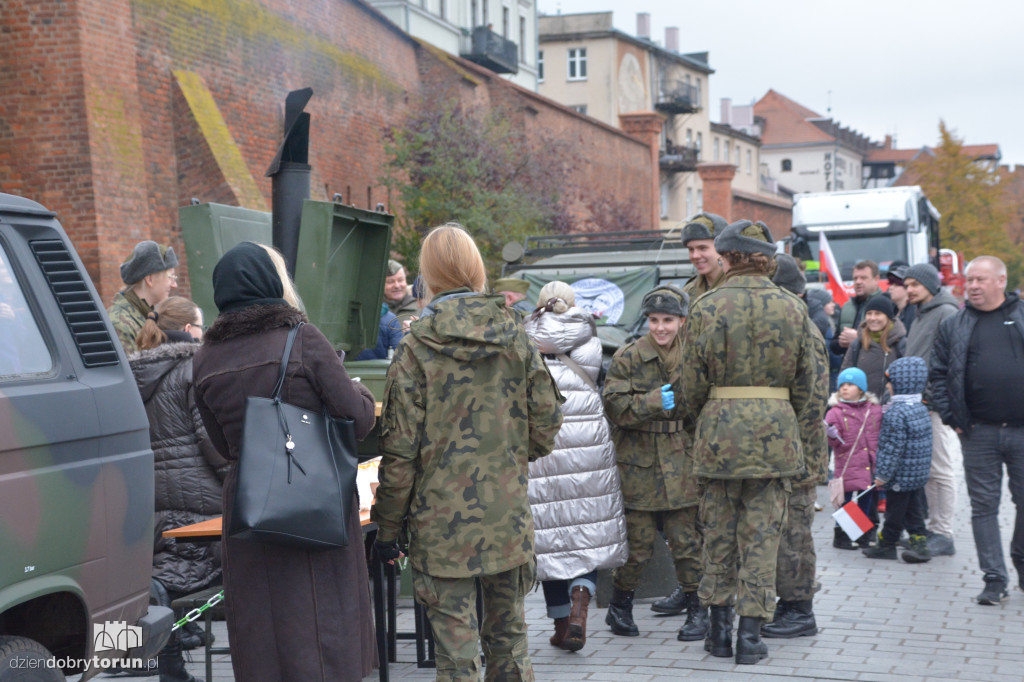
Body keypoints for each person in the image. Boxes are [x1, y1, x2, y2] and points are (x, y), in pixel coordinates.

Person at [372, 223, 563, 681]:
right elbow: (547, 423)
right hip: (506, 516)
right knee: (511, 643)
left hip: (441, 526)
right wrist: (508, 458)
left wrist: (387, 529)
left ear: (428, 275)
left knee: (456, 656)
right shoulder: (517, 336)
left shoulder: (415, 347)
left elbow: (399, 454)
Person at [192, 242, 378, 682]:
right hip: (311, 496)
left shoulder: (205, 358)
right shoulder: (301, 339)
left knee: (263, 627)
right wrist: (362, 391)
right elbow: (357, 418)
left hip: (250, 504)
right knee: (322, 621)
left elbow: (221, 445)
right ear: (271, 282)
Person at [681, 220, 828, 665]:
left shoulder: (706, 306)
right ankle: (750, 636)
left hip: (718, 436)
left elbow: (690, 384)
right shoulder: (793, 308)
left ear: (726, 258)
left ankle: (718, 632)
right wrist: (798, 439)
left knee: (718, 536)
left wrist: (699, 428)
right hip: (775, 438)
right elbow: (811, 388)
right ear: (767, 258)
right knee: (763, 537)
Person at [523, 281, 628, 652]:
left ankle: (561, 622)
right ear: (572, 304)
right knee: (588, 528)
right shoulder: (591, 337)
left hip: (542, 444)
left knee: (550, 534)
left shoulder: (523, 340)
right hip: (588, 446)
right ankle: (582, 598)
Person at [602, 284, 707, 643]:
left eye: (668, 320)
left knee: (687, 541)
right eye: (654, 320)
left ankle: (697, 611)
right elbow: (614, 407)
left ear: (682, 320)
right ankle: (620, 607)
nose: (661, 327)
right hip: (639, 462)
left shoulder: (694, 355)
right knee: (638, 545)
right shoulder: (629, 357)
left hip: (681, 459)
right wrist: (649, 402)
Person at [130, 297, 223, 682]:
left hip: (149, 511)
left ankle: (149, 659)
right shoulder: (193, 370)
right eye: (201, 327)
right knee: (179, 577)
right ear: (189, 331)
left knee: (159, 573)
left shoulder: (130, 373)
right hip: (200, 506)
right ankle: (167, 664)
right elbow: (211, 442)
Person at [928, 256, 1024, 604]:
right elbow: (938, 373)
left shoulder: (1021, 316)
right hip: (977, 432)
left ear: (1001, 280)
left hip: (1021, 431)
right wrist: (953, 416)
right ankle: (994, 579)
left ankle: (1021, 560)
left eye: (981, 280)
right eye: (970, 281)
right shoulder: (955, 324)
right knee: (984, 506)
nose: (973, 286)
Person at [761, 254, 830, 640]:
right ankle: (787, 604)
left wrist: (790, 449)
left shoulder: (803, 328)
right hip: (787, 449)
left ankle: (800, 610)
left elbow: (813, 400)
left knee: (795, 535)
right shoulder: (794, 325)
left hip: (798, 454)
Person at [904, 262, 961, 558]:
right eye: (907, 285)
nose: (909, 290)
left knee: (941, 468)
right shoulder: (919, 314)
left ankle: (944, 532)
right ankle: (931, 529)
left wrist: (934, 396)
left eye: (915, 284)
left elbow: (952, 363)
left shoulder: (946, 313)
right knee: (926, 471)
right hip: (916, 403)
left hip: (934, 405)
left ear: (929, 285)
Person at [862, 356, 932, 563]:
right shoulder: (920, 407)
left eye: (890, 382)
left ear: (901, 383)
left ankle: (887, 544)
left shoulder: (896, 412)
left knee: (894, 512)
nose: (888, 387)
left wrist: (882, 474)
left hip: (900, 476)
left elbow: (891, 448)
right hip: (916, 474)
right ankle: (920, 543)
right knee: (913, 509)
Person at [824, 367, 882, 550]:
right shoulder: (835, 412)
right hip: (847, 463)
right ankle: (841, 535)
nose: (845, 388)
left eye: (850, 385)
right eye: (842, 385)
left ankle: (861, 534)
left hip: (868, 463)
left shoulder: (874, 410)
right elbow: (834, 443)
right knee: (845, 499)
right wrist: (831, 435)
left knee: (866, 497)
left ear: (861, 388)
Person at [108, 240, 178, 353]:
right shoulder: (120, 324)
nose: (175, 285)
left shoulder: (146, 316)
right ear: (150, 279)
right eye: (170, 277)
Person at [839, 296, 907, 400]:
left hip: (890, 407)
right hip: (861, 408)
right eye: (869, 313)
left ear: (888, 317)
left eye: (878, 313)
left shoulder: (900, 343)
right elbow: (845, 374)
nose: (872, 318)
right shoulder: (857, 344)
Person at [830, 260, 883, 356]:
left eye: (863, 278)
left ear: (876, 279)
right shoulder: (847, 306)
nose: (858, 282)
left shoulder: (887, 304)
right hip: (849, 366)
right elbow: (833, 345)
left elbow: (889, 342)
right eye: (855, 278)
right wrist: (841, 343)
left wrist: (858, 338)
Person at [680, 212, 728, 298]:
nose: (695, 256)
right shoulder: (688, 292)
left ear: (722, 248)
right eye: (691, 249)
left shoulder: (740, 288)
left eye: (702, 248)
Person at [384, 258, 419, 326]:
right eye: (390, 282)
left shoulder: (420, 307)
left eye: (400, 280)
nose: (397, 286)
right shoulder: (376, 310)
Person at [886, 260, 916, 332]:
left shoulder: (914, 312)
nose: (890, 288)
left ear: (907, 288)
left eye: (896, 285)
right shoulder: (892, 309)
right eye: (890, 284)